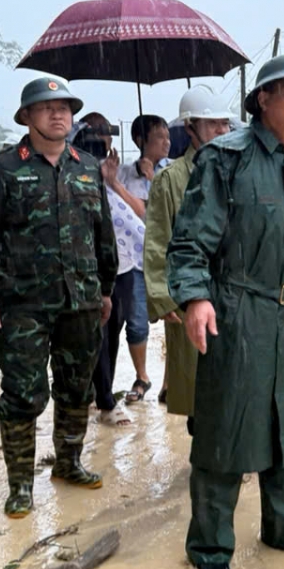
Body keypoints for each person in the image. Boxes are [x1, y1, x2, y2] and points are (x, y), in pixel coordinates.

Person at [167, 54, 284, 569]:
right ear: (263, 99)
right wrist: (195, 298)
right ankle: (210, 546)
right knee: (228, 427)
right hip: (237, 312)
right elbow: (189, 242)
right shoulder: (226, 159)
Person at [0, 77, 118, 518]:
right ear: (27, 117)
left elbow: (102, 233)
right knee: (22, 394)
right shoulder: (1, 169)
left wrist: (106, 288)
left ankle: (68, 463)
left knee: (77, 387)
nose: (59, 115)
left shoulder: (86, 167)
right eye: (47, 108)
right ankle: (20, 486)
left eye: (65, 108)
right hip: (22, 304)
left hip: (82, 298)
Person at [143, 86, 231, 425]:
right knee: (197, 383)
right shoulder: (171, 180)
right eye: (212, 125)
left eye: (225, 124)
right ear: (191, 127)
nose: (221, 132)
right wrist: (164, 299)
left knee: (236, 379)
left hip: (235, 294)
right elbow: (158, 241)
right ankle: (206, 463)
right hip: (190, 295)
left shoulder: (238, 171)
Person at [73, 112, 142, 427]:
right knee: (94, 331)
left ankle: (101, 390)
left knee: (112, 330)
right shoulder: (74, 167)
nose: (104, 144)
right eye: (97, 139)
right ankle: (102, 397)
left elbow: (138, 212)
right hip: (89, 266)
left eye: (107, 137)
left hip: (122, 264)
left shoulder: (123, 171)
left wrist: (111, 180)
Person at [115, 114, 169, 403]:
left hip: (166, 258)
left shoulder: (171, 171)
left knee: (174, 318)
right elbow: (132, 212)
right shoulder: (121, 174)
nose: (166, 141)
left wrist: (154, 179)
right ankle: (142, 377)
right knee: (136, 321)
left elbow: (158, 212)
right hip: (134, 260)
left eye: (166, 135)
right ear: (140, 141)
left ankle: (170, 382)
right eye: (158, 136)